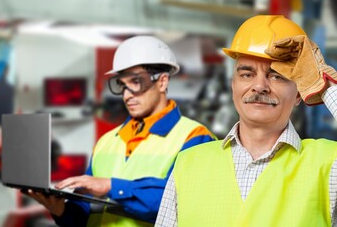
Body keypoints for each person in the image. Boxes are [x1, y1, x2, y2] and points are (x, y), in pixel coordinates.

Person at [155, 15, 337, 227]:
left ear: (298, 93)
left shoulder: (328, 164)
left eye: (277, 76)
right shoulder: (188, 163)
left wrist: (325, 87)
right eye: (247, 74)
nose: (259, 86)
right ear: (233, 87)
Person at [25, 35, 215, 226]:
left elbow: (181, 201)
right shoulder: (107, 141)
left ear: (162, 82)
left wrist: (110, 186)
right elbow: (87, 212)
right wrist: (61, 209)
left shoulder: (195, 137)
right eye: (122, 85)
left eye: (136, 82)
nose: (126, 95)